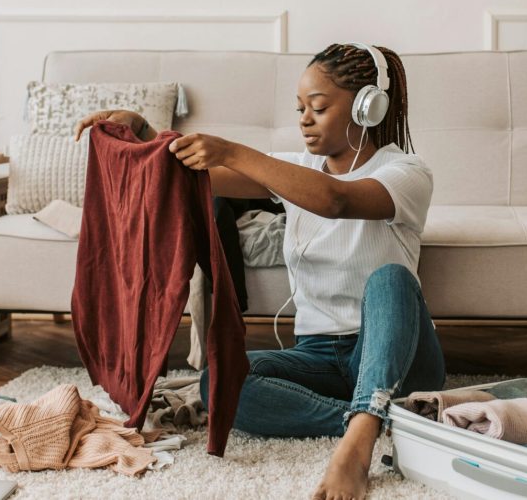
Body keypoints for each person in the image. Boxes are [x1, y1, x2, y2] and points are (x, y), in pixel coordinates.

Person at [73, 43, 443, 499]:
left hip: (398, 358)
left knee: (390, 279)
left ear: (368, 105)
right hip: (320, 356)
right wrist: (143, 129)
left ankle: (360, 438)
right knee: (219, 384)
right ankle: (378, 415)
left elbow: (335, 199)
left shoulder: (406, 172)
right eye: (299, 108)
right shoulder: (296, 172)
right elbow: (189, 172)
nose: (304, 118)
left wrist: (230, 150)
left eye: (319, 107)